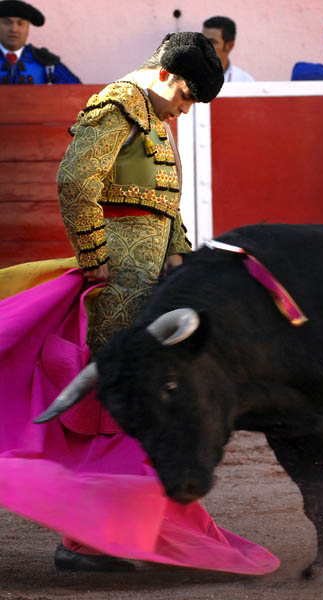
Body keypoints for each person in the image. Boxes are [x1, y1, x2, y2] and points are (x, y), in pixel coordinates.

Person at [0, 31, 279, 577]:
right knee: (117, 403)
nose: (185, 110)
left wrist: (178, 256)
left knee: (134, 398)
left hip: (145, 282)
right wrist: (96, 253)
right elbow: (77, 181)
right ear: (169, 77)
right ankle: (89, 539)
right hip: (118, 285)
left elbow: (164, 208)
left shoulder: (152, 117)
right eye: (188, 97)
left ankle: (112, 530)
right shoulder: (116, 107)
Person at [0, 0, 80, 84]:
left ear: (28, 28)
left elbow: (77, 92)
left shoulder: (46, 62)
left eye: (20, 24)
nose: (14, 29)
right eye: (7, 23)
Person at [202, 15, 254, 82]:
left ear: (229, 46)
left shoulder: (244, 81)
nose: (204, 46)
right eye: (202, 40)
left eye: (212, 42)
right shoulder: (189, 80)